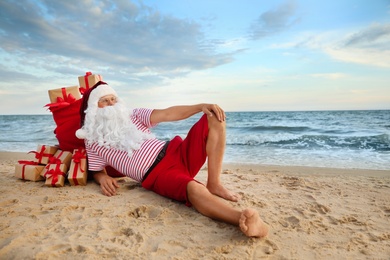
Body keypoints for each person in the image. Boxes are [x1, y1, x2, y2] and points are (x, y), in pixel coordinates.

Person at [76, 81, 269, 238]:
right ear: (94, 108)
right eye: (104, 101)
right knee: (194, 189)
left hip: (176, 151)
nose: (111, 104)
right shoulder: (92, 141)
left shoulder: (133, 115)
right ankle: (242, 219)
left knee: (215, 117)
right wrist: (103, 179)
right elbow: (96, 169)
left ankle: (215, 183)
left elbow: (168, 113)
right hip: (160, 174)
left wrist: (200, 107)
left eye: (113, 99)